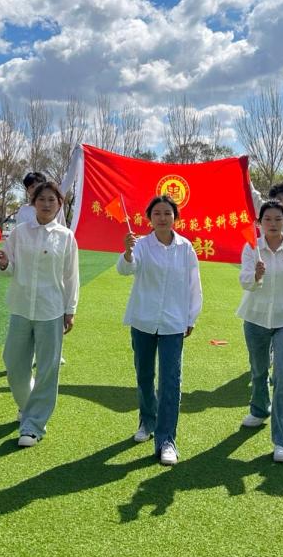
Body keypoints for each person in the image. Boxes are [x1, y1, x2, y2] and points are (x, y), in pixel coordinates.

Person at [118, 194, 203, 466]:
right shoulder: (141, 245)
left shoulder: (185, 248)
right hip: (143, 319)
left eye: (167, 213)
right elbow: (126, 269)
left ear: (175, 217)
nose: (163, 218)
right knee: (144, 375)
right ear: (149, 218)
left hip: (173, 323)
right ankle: (147, 421)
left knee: (170, 380)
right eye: (157, 213)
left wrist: (191, 318)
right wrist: (128, 252)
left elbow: (193, 285)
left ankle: (167, 439)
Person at [0, 181, 78, 447]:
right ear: (33, 203)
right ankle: (28, 405)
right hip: (21, 307)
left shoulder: (66, 236)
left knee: (47, 369)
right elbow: (7, 269)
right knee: (13, 363)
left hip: (51, 309)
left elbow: (71, 276)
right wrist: (4, 264)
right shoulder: (20, 232)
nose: (46, 204)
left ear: (59, 204)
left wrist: (70, 310)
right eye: (41, 199)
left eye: (52, 200)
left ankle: (34, 425)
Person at [237, 200, 283, 463]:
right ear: (259, 222)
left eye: (278, 219)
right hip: (255, 318)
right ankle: (259, 409)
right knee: (258, 370)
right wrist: (256, 276)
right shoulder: (252, 247)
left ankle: (282, 441)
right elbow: (245, 282)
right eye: (267, 219)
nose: (272, 223)